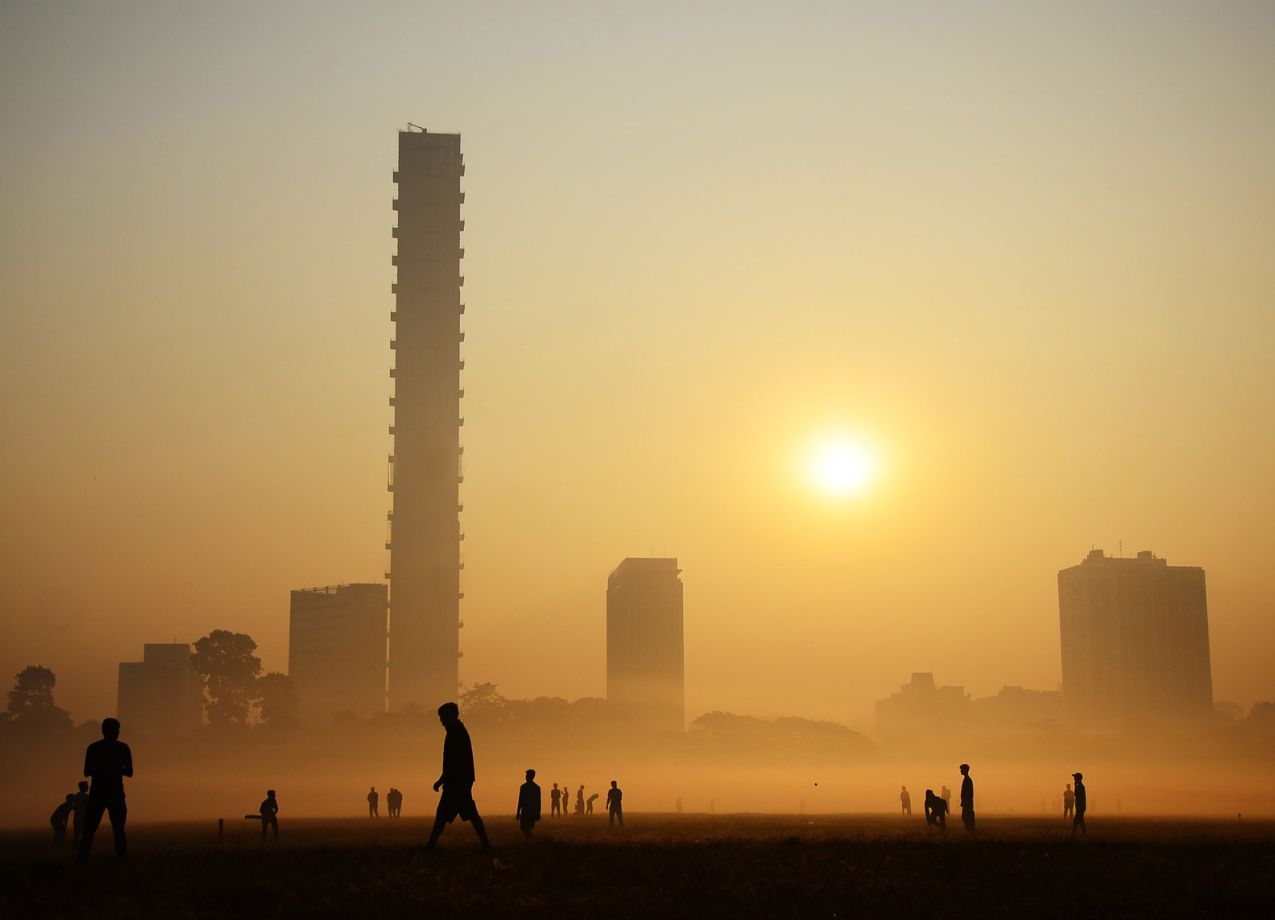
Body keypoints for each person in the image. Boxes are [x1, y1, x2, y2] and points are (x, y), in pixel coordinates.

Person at [423, 701, 491, 850]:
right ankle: (486, 845)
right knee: (469, 814)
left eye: (442, 716)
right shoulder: (457, 731)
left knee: (443, 815)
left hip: (457, 782)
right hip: (460, 781)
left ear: (451, 715)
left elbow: (453, 762)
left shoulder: (456, 733)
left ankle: (430, 847)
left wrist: (441, 781)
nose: (441, 720)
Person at [77, 717, 133, 862]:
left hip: (99, 793)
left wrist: (102, 768)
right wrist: (115, 769)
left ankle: (82, 858)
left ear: (103, 731)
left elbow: (87, 771)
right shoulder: (123, 748)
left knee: (90, 830)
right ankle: (122, 859)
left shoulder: (94, 748)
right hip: (114, 793)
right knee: (118, 830)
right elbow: (129, 772)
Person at [516, 769, 541, 837]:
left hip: (526, 811)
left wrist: (518, 812)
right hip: (532, 811)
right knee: (527, 828)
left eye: (527, 775)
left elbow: (520, 800)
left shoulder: (523, 787)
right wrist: (538, 813)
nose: (526, 777)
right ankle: (531, 841)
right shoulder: (537, 787)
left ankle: (533, 839)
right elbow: (538, 802)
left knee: (524, 828)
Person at [71, 781, 89, 847]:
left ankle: (76, 847)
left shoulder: (76, 796)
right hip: (84, 818)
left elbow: (72, 805)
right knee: (84, 834)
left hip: (77, 818)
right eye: (87, 786)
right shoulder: (87, 797)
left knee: (76, 835)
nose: (88, 787)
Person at [958, 763, 975, 831]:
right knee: (966, 817)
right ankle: (969, 829)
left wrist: (965, 801)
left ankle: (970, 830)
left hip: (967, 802)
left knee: (965, 817)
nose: (960, 771)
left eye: (961, 769)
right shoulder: (967, 779)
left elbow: (968, 793)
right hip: (967, 802)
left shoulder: (967, 780)